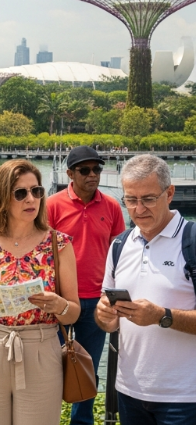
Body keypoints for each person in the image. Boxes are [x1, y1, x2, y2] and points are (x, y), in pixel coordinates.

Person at [0, 159, 81, 425]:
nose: (31, 199)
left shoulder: (59, 244)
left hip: (41, 349)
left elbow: (73, 313)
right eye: (21, 193)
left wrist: (58, 305)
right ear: (3, 196)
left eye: (36, 191)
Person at [96, 155, 196, 425]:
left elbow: (160, 315)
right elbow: (109, 323)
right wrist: (104, 315)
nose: (138, 209)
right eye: (130, 200)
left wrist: (162, 316)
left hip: (185, 397)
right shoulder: (119, 245)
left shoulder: (192, 242)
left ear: (170, 193)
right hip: (130, 392)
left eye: (148, 199)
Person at [47, 146, 125, 425]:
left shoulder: (113, 206)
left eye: (97, 169)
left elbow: (120, 254)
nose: (93, 175)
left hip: (97, 301)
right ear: (70, 173)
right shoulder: (52, 205)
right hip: (60, 301)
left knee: (87, 368)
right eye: (85, 170)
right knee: (51, 368)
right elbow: (42, 252)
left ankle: (82, 423)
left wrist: (114, 295)